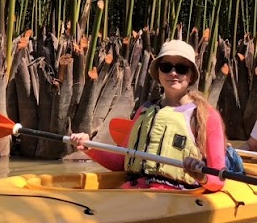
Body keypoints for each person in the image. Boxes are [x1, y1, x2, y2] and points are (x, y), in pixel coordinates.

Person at [70, 40, 227, 191]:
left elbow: (218, 179)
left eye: (181, 68)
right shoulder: (146, 110)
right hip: (135, 190)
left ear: (191, 75)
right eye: (166, 67)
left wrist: (202, 177)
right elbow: (121, 161)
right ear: (158, 72)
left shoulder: (206, 116)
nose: (173, 73)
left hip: (178, 196)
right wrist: (89, 147)